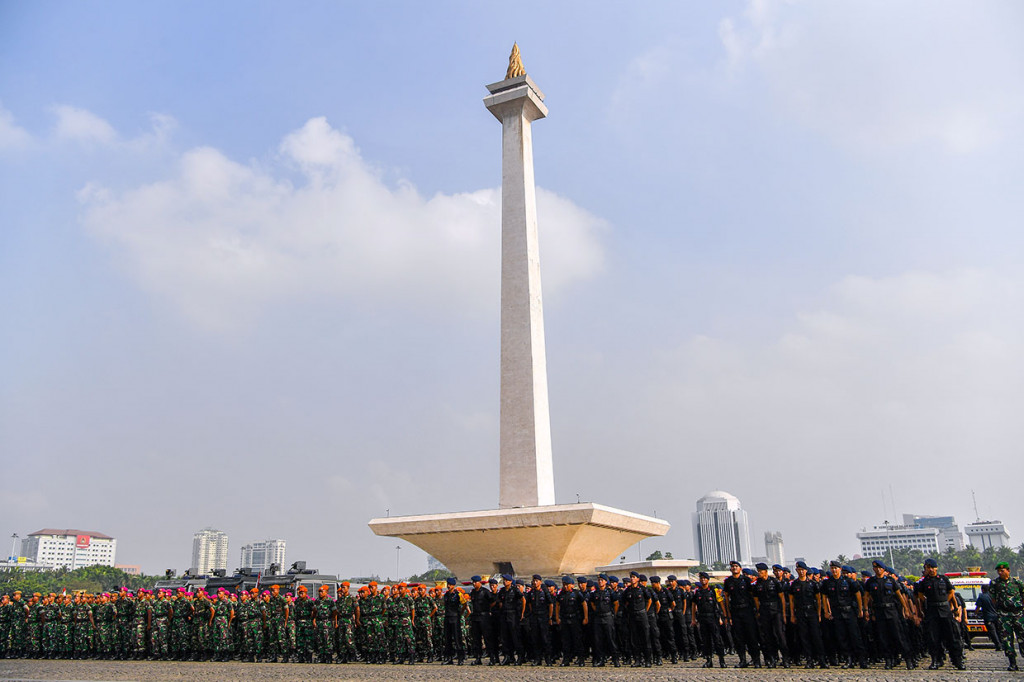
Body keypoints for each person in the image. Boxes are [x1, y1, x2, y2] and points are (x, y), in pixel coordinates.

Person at [913, 558, 965, 670]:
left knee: (952, 636)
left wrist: (947, 602)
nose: (931, 570)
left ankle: (957, 660)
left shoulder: (943, 579)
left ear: (936, 568)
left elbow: (951, 591)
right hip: (932, 611)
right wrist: (924, 605)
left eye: (932, 567)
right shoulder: (923, 582)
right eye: (928, 568)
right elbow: (919, 595)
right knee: (933, 638)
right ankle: (936, 660)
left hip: (945, 611)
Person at [820, 560, 867, 669]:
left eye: (836, 568)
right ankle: (848, 660)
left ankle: (861, 660)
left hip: (849, 611)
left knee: (855, 636)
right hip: (837, 613)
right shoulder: (828, 582)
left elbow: (858, 595)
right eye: (832, 568)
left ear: (840, 569)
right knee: (842, 637)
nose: (834, 570)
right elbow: (824, 596)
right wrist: (827, 611)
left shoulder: (848, 581)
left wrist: (861, 610)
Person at [990, 561, 1024, 671]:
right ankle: (1012, 663)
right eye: (998, 571)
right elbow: (993, 598)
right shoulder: (995, 584)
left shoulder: (1017, 583)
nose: (1000, 573)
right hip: (1004, 615)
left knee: (1022, 638)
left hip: (1018, 614)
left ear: (1008, 571)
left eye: (1002, 570)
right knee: (1007, 640)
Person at [752, 562, 788, 668]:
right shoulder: (757, 584)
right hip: (764, 611)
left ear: (765, 572)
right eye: (758, 571)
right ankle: (772, 659)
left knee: (780, 635)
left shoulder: (774, 582)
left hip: (775, 611)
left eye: (761, 571)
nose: (759, 573)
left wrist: (783, 613)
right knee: (768, 637)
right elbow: (756, 599)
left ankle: (785, 658)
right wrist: (759, 611)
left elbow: (781, 597)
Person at [975, 583, 1002, 651]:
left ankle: (998, 645)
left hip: (988, 617)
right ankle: (1002, 644)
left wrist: (976, 614)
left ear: (982, 590)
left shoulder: (982, 596)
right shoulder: (994, 596)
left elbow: (978, 607)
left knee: (992, 632)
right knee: (998, 631)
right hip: (997, 616)